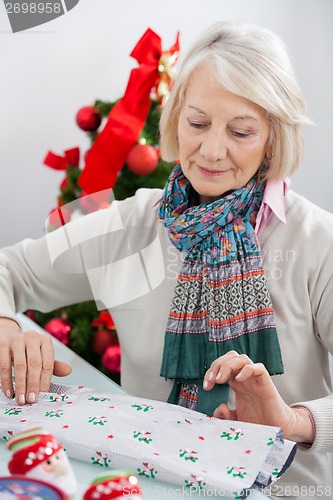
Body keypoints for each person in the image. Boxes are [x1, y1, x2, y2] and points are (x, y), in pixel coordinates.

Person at [0, 20, 332, 499]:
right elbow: (10, 269)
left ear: (273, 140)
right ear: (176, 118)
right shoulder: (131, 223)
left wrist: (295, 421)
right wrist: (7, 328)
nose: (212, 151)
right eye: (197, 123)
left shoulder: (319, 242)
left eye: (241, 131)